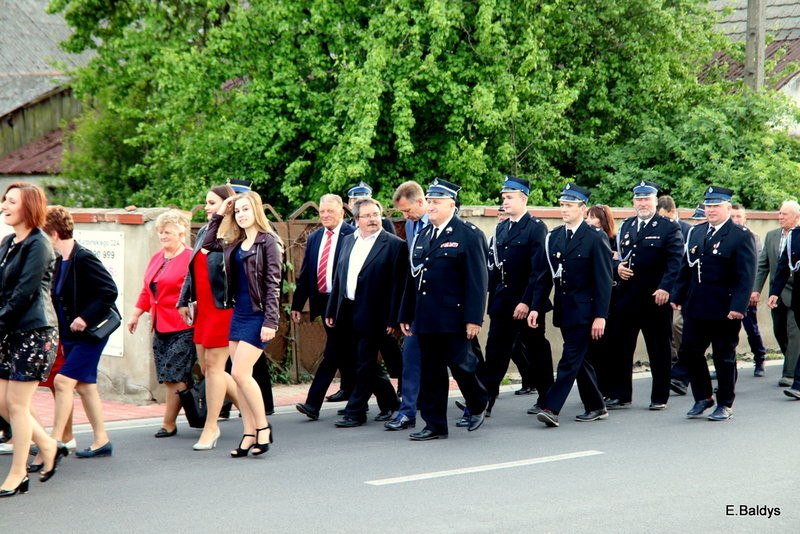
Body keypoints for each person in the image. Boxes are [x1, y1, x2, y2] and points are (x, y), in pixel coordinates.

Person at [399, 178, 490, 440]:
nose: (431, 206)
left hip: (454, 316)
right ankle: (435, 425)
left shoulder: (468, 234)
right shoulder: (423, 235)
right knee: (431, 372)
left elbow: (477, 280)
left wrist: (474, 318)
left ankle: (479, 400)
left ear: (452, 205)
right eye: (430, 201)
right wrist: (406, 313)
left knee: (461, 365)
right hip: (426, 316)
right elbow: (413, 278)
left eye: (437, 202)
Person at [203, 190, 282, 457]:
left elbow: (273, 285)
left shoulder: (269, 241)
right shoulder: (234, 242)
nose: (241, 214)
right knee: (238, 379)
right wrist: (221, 212)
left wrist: (271, 321)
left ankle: (263, 427)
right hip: (239, 314)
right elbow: (208, 244)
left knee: (240, 374)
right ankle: (249, 434)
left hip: (259, 315)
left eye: (246, 209)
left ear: (256, 210)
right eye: (238, 211)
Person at [527, 183, 612, 427]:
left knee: (569, 359)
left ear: (582, 209)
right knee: (579, 361)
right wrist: (535, 307)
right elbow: (545, 276)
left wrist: (601, 316)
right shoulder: (554, 237)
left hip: (586, 311)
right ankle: (596, 406)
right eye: (562, 205)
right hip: (565, 309)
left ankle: (551, 407)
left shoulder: (595, 237)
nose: (564, 209)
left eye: (569, 205)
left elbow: (604, 280)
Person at [0, 182, 65, 497]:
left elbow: (24, 294)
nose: (4, 205)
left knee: (16, 404)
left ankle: (18, 473)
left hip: (34, 332)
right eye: (4, 200)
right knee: (3, 402)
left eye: (11, 201)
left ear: (29, 207)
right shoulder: (8, 242)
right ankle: (49, 445)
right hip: (9, 331)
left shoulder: (39, 244)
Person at [670, 186, 756, 421]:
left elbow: (746, 275)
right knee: (691, 352)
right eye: (708, 206)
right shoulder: (696, 232)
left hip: (724, 308)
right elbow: (687, 267)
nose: (711, 210)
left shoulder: (740, 235)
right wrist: (677, 296)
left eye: (716, 206)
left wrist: (738, 307)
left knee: (723, 356)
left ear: (727, 207)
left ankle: (725, 403)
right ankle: (703, 397)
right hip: (696, 305)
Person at [41, 206, 118, 459]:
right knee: (85, 387)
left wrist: (84, 317)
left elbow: (109, 291)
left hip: (90, 334)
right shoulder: (58, 260)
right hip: (70, 335)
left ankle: (54, 441)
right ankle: (102, 440)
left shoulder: (83, 257)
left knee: (62, 382)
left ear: (53, 234)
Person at [325, 198, 406, 427]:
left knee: (364, 362)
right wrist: (332, 308)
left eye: (375, 215)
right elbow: (339, 277)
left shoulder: (394, 245)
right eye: (367, 216)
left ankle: (356, 412)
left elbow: (398, 287)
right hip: (347, 309)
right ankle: (390, 402)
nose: (372, 219)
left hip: (375, 313)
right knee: (358, 361)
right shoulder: (348, 240)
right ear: (357, 219)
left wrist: (393, 319)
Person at [479, 176, 553, 418]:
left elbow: (539, 270)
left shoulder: (535, 227)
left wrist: (526, 302)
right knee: (495, 352)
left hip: (527, 302)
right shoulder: (502, 228)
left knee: (536, 350)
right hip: (503, 301)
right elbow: (496, 269)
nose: (505, 201)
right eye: (504, 197)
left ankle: (546, 398)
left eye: (509, 197)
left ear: (523, 199)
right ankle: (484, 401)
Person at [607, 181, 683, 410]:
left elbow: (675, 261)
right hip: (627, 297)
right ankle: (622, 394)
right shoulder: (626, 226)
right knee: (622, 348)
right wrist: (618, 268)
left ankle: (660, 397)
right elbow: (619, 256)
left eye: (646, 199)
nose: (642, 203)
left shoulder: (668, 227)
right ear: (634, 202)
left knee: (659, 349)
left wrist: (665, 288)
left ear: (655, 201)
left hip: (655, 298)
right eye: (638, 199)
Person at [177, 185, 241, 450]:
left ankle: (211, 427)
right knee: (207, 369)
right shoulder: (205, 231)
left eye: (212, 202)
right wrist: (184, 300)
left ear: (227, 205)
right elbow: (192, 269)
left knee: (214, 367)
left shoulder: (235, 233)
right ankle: (253, 412)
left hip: (223, 308)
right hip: (203, 308)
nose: (206, 207)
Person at [127, 210, 195, 438]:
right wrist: (135, 314)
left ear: (181, 233)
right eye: (161, 232)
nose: (163, 236)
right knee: (170, 376)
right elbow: (147, 291)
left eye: (168, 232)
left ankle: (169, 423)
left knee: (175, 375)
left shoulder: (190, 258)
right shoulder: (157, 257)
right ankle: (199, 413)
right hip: (160, 326)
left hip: (184, 326)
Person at [292, 195, 356, 419]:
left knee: (333, 352)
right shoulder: (315, 237)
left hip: (345, 304)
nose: (325, 215)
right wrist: (297, 304)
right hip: (323, 303)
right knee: (347, 353)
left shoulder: (353, 235)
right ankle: (366, 399)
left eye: (330, 211)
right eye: (322, 212)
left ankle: (313, 403)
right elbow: (306, 274)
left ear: (342, 212)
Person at [384, 181, 430, 430]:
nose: (405, 217)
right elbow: (411, 272)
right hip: (416, 302)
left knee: (461, 362)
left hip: (444, 306)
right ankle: (407, 412)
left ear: (420, 201)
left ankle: (475, 403)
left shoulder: (441, 224)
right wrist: (403, 311)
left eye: (407, 210)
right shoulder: (411, 225)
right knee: (410, 358)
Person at [753, 201, 800, 387]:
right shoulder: (772, 236)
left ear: (796, 217)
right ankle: (794, 363)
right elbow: (763, 265)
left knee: (794, 332)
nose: (780, 217)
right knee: (779, 331)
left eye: (784, 214)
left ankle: (790, 374)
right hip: (777, 292)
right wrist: (756, 289)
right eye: (779, 213)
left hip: (796, 292)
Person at [583, 203, 618, 401]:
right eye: (586, 217)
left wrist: (616, 262)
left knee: (607, 347)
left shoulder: (613, 241)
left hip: (611, 299)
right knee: (593, 348)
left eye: (592, 217)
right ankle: (597, 389)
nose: (588, 221)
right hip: (591, 299)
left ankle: (608, 389)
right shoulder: (587, 240)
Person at [729, 204, 767, 377]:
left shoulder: (752, 237)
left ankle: (759, 358)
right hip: (727, 292)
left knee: (751, 328)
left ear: (745, 218)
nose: (736, 220)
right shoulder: (724, 236)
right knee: (725, 332)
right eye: (733, 216)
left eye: (739, 216)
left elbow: (756, 266)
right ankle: (727, 365)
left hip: (745, 291)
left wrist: (753, 291)